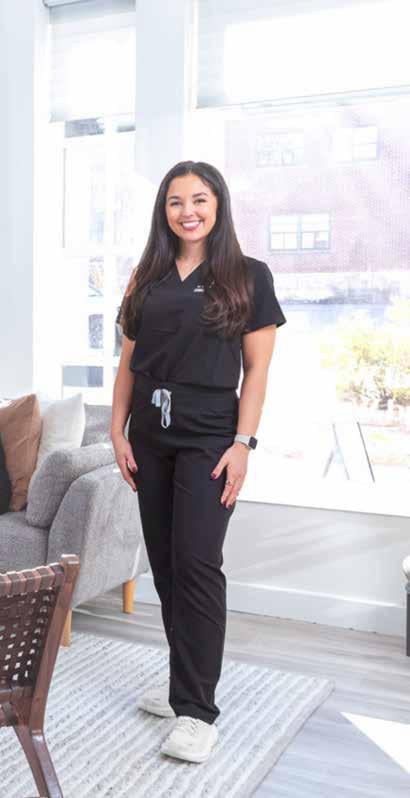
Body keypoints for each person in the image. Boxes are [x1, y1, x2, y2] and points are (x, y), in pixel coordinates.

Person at [111, 160, 287, 764]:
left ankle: (197, 714)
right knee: (165, 565)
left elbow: (256, 371)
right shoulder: (147, 276)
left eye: (199, 200)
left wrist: (243, 444)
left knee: (197, 564)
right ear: (163, 211)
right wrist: (116, 429)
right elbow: (129, 360)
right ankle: (182, 686)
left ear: (218, 205)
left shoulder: (248, 276)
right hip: (150, 435)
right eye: (175, 202)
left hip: (210, 437)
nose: (187, 211)